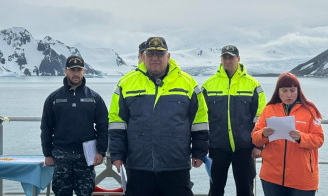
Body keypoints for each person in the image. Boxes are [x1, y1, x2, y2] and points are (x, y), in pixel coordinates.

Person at [108, 37, 209, 196]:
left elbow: (199, 121)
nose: (155, 58)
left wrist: (199, 152)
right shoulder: (126, 83)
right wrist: (117, 154)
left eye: (160, 54)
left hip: (175, 165)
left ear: (168, 56)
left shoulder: (188, 83)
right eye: (150, 53)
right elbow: (117, 123)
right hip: (138, 165)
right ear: (144, 56)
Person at [202, 45, 267, 196]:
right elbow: (202, 117)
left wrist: (259, 146)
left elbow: (261, 118)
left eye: (231, 57)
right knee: (215, 190)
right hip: (217, 147)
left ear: (238, 59)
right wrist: (202, 146)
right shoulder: (208, 85)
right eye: (225, 57)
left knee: (245, 190)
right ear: (221, 59)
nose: (228, 60)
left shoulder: (253, 85)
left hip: (245, 148)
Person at [40, 55, 109, 196]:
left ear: (84, 71)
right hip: (60, 157)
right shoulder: (54, 98)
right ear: (66, 71)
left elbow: (103, 126)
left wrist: (101, 151)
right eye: (72, 70)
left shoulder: (94, 98)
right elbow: (46, 128)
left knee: (85, 193)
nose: (75, 73)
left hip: (85, 158)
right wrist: (47, 154)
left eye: (78, 70)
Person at [251, 72, 324, 196]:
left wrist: (301, 137)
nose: (289, 95)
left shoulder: (310, 110)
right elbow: (255, 139)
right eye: (284, 91)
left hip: (302, 179)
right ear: (278, 92)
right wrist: (263, 134)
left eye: (292, 90)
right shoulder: (269, 110)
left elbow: (319, 139)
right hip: (272, 177)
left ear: (298, 90)